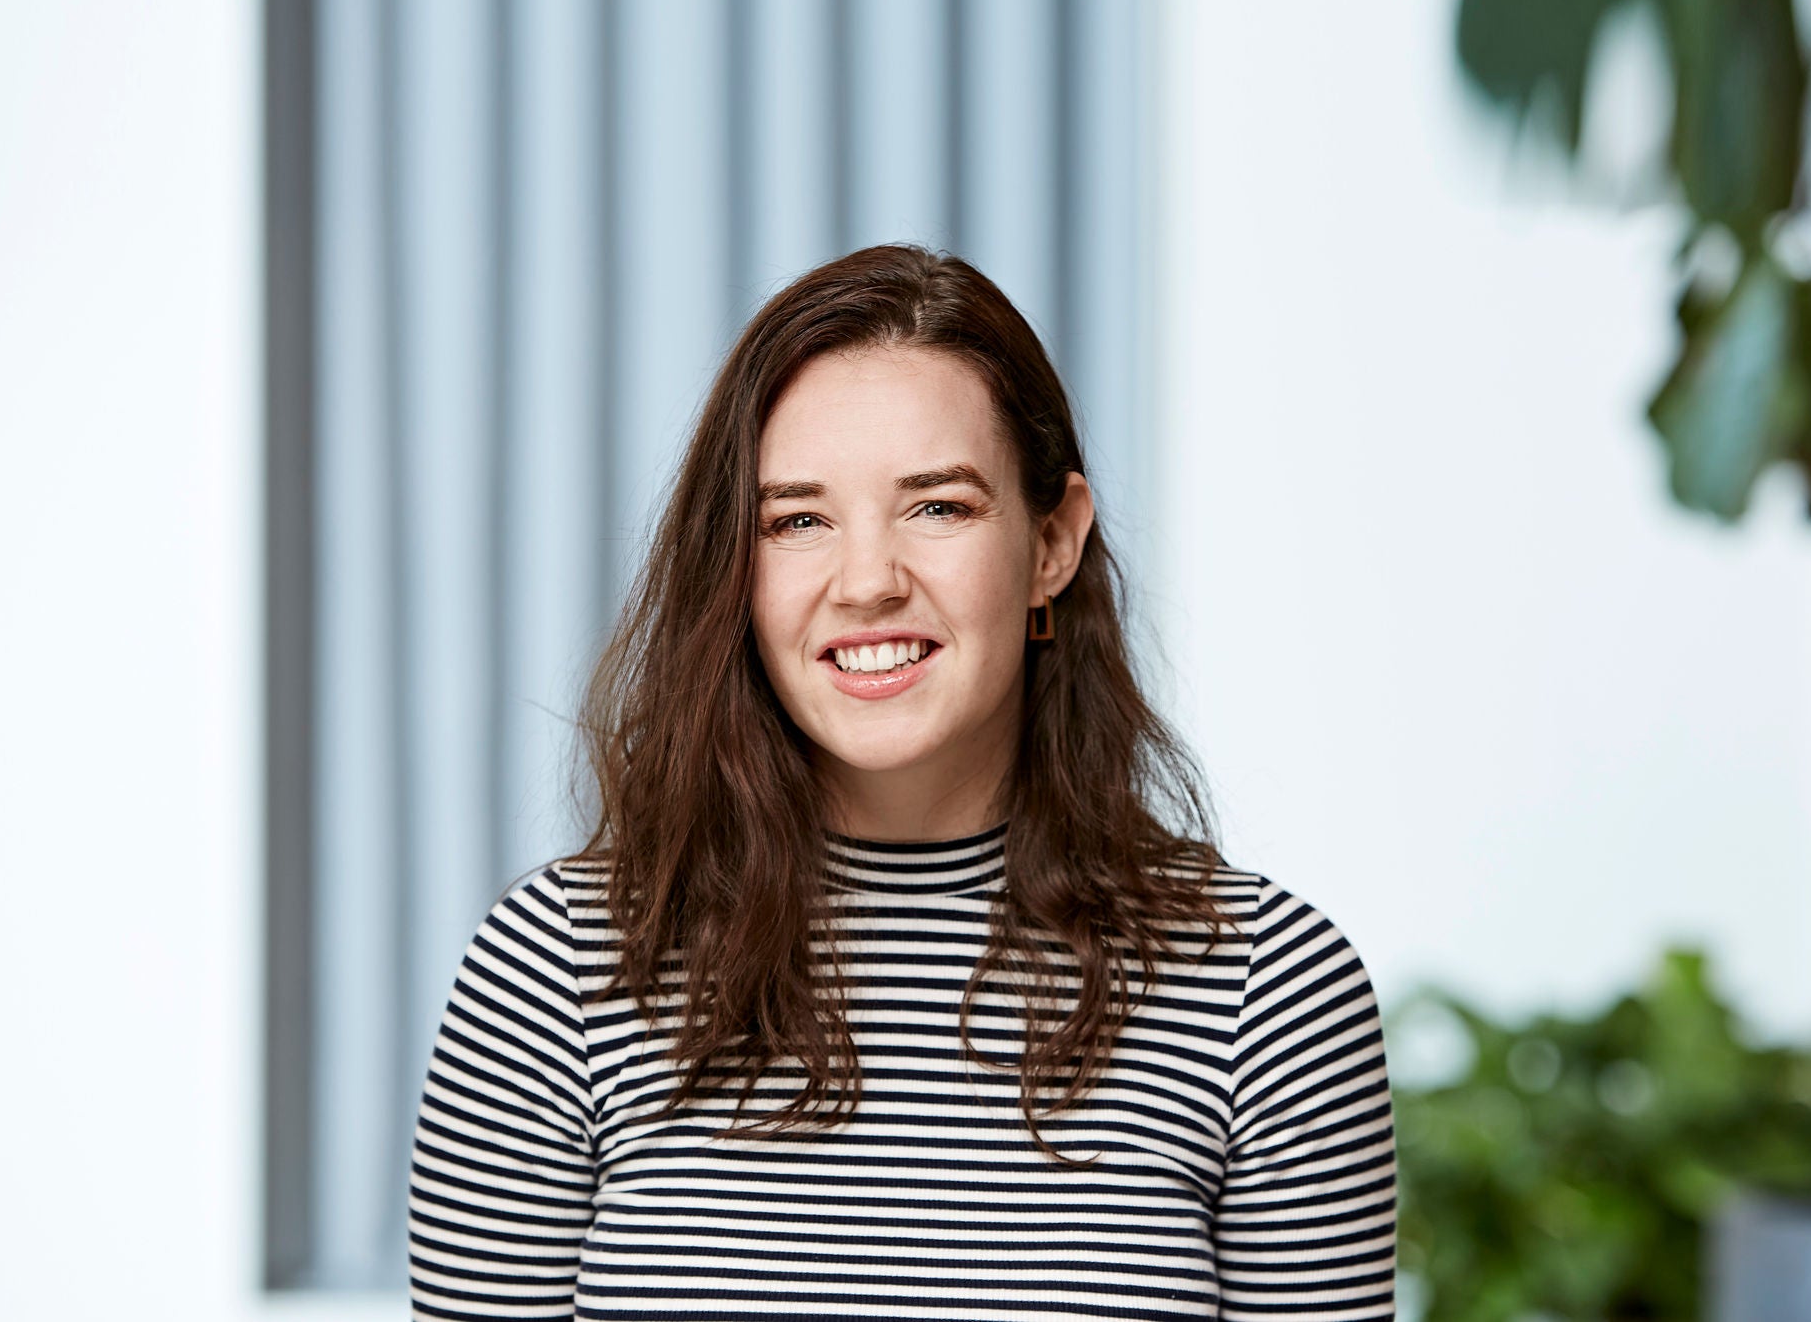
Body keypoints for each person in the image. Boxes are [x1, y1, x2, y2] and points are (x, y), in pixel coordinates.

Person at [407, 244, 1397, 1320]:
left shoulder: (1268, 992)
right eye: (796, 520)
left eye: (938, 507)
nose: (868, 582)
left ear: (1052, 543)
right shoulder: (556, 970)